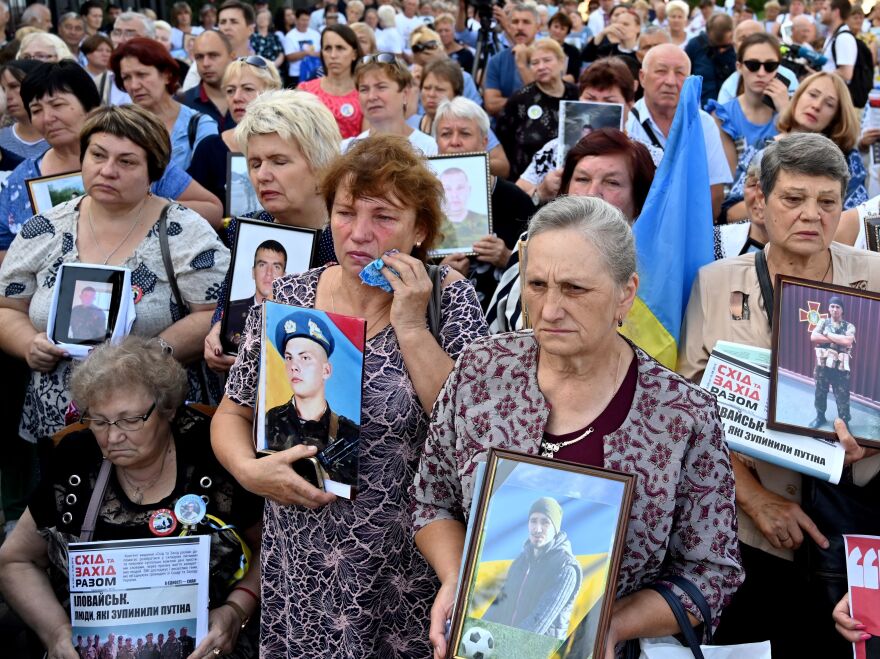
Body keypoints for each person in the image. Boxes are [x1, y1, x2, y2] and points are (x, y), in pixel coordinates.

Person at [412, 194, 743, 659]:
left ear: (626, 292)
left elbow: (711, 572)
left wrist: (610, 624)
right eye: (537, 285)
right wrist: (457, 581)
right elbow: (432, 501)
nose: (548, 310)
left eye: (574, 289)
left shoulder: (681, 415)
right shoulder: (481, 370)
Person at [212, 135, 488, 657]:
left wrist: (410, 323)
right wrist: (249, 471)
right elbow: (232, 411)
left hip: (407, 564)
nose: (359, 234)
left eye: (384, 217)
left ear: (420, 228)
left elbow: (468, 426)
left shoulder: (448, 299)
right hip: (304, 559)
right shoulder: (293, 294)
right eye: (344, 212)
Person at [679, 133, 880, 658]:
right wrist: (757, 500)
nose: (811, 214)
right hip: (753, 529)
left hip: (854, 524)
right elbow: (690, 413)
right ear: (761, 204)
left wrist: (875, 440)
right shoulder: (715, 283)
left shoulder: (876, 278)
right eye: (793, 199)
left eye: (827, 201)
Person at [0, 104, 230, 530]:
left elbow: (212, 315)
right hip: (59, 422)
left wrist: (150, 354)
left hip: (156, 422)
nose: (108, 170)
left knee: (151, 528)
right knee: (60, 530)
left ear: (153, 170)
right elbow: (7, 306)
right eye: (98, 155)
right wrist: (26, 343)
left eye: (126, 161)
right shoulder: (44, 228)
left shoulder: (183, 229)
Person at [0, 339, 262, 659]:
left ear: (167, 408)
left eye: (130, 420)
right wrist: (55, 632)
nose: (113, 437)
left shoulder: (211, 454)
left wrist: (236, 611)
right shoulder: (76, 460)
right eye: (99, 421)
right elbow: (14, 561)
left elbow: (274, 549)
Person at [0, 62, 222, 257]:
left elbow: (212, 210)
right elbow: (5, 249)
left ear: (90, 108)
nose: (48, 118)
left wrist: (142, 208)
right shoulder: (19, 180)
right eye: (36, 110)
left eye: (57, 105)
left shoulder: (137, 161)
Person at [203, 89, 342, 373]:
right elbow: (231, 299)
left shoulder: (350, 238)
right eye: (255, 163)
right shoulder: (249, 228)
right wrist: (219, 329)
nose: (262, 175)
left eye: (279, 161)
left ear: (321, 166)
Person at [488, 129, 656, 334]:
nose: (592, 193)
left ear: (639, 199)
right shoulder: (534, 240)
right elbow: (500, 328)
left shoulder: (657, 257)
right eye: (582, 179)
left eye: (612, 182)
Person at [723, 71, 866, 222]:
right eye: (812, 94)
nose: (816, 106)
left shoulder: (847, 158)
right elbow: (730, 213)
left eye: (829, 104)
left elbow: (858, 221)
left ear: (836, 117)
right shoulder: (762, 149)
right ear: (796, 97)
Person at [433, 97, 534, 308]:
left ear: (484, 142)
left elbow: (542, 266)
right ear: (437, 143)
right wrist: (439, 272)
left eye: (465, 133)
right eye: (446, 134)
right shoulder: (422, 200)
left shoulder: (515, 200)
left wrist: (508, 257)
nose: (454, 141)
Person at [517, 57, 645, 202]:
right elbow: (516, 201)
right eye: (590, 99)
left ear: (630, 105)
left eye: (609, 101)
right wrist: (541, 192)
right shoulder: (553, 150)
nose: (597, 109)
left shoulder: (643, 155)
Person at [629, 43, 732, 220]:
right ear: (642, 77)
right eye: (661, 71)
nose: (670, 81)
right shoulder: (627, 122)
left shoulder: (703, 123)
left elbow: (714, 194)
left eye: (680, 73)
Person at [264, 309, 360, 485]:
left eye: (305, 358)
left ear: (326, 370)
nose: (294, 366)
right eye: (288, 357)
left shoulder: (350, 434)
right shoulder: (271, 419)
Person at [187, 55, 282, 215]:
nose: (236, 98)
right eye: (230, 91)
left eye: (248, 89)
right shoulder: (209, 148)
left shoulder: (292, 143)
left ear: (271, 92)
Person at [113, 38, 218, 171]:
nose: (134, 85)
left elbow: (209, 186)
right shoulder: (117, 126)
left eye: (142, 75)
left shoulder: (200, 126)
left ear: (167, 75)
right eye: (126, 77)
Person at [482, 496, 581, 637]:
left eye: (545, 522)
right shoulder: (520, 562)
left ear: (556, 529)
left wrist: (502, 643)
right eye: (533, 521)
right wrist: (478, 629)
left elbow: (538, 622)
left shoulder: (566, 569)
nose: (537, 529)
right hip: (506, 643)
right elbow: (498, 605)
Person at [708, 33, 788, 180]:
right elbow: (733, 179)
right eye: (753, 65)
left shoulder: (791, 110)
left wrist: (786, 113)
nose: (761, 73)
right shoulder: (723, 116)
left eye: (770, 66)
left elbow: (800, 162)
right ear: (739, 67)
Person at [497, 38, 578, 180]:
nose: (541, 67)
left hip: (570, 178)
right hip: (527, 183)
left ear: (561, 62)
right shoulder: (520, 99)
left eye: (547, 60)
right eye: (535, 63)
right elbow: (503, 138)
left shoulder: (576, 94)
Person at [341, 53, 438, 155]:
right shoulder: (347, 150)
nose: (371, 97)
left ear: (405, 94)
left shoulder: (429, 148)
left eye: (381, 87)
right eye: (364, 89)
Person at [297, 25, 365, 140]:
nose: (333, 55)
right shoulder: (305, 91)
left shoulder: (366, 92)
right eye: (328, 48)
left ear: (354, 54)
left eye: (340, 48)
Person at [225, 240, 288, 348]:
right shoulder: (231, 312)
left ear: (284, 276)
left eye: (276, 267)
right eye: (262, 265)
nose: (269, 273)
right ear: (253, 272)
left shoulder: (291, 317)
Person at [483, 4, 540, 116]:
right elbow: (491, 105)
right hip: (504, 129)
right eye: (515, 22)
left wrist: (522, 65)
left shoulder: (548, 59)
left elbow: (543, 101)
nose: (519, 27)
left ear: (538, 27)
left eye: (526, 22)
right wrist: (526, 100)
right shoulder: (497, 61)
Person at [809, 296, 856, 429]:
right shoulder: (823, 322)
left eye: (838, 307)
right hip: (822, 366)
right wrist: (838, 339)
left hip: (840, 368)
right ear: (829, 308)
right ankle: (820, 417)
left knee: (842, 396)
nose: (835, 309)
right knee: (820, 392)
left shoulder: (849, 326)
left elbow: (848, 341)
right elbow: (814, 337)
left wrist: (827, 335)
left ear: (842, 310)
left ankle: (844, 422)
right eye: (832, 306)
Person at [180, 30, 236, 131]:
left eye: (213, 55)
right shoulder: (182, 105)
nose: (205, 63)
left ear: (232, 57)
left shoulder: (252, 101)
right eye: (199, 57)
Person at [0, 59, 47, 159]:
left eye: (14, 86)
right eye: (2, 89)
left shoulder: (62, 135)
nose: (7, 96)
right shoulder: (1, 139)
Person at [581, 4, 641, 76]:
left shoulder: (643, 51)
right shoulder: (608, 50)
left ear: (638, 28)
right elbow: (586, 57)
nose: (620, 27)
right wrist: (602, 34)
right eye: (618, 24)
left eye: (626, 24)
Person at [437, 167, 489, 248]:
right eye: (448, 189)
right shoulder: (431, 226)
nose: (454, 195)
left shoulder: (485, 222)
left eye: (460, 188)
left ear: (469, 190)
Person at [820, 0, 857, 83]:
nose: (821, 12)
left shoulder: (844, 37)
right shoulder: (833, 36)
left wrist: (819, 76)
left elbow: (846, 73)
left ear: (836, 12)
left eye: (825, 9)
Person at [284, 8, 321, 87]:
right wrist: (306, 53)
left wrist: (312, 53)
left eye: (307, 20)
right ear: (296, 20)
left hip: (313, 73)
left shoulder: (316, 34)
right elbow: (289, 57)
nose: (305, 23)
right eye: (303, 20)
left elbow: (322, 53)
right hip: (296, 74)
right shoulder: (290, 36)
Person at [547, 11, 582, 83]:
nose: (558, 31)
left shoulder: (573, 51)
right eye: (556, 26)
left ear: (567, 33)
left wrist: (554, 82)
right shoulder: (538, 48)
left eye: (562, 29)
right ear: (549, 27)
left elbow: (574, 76)